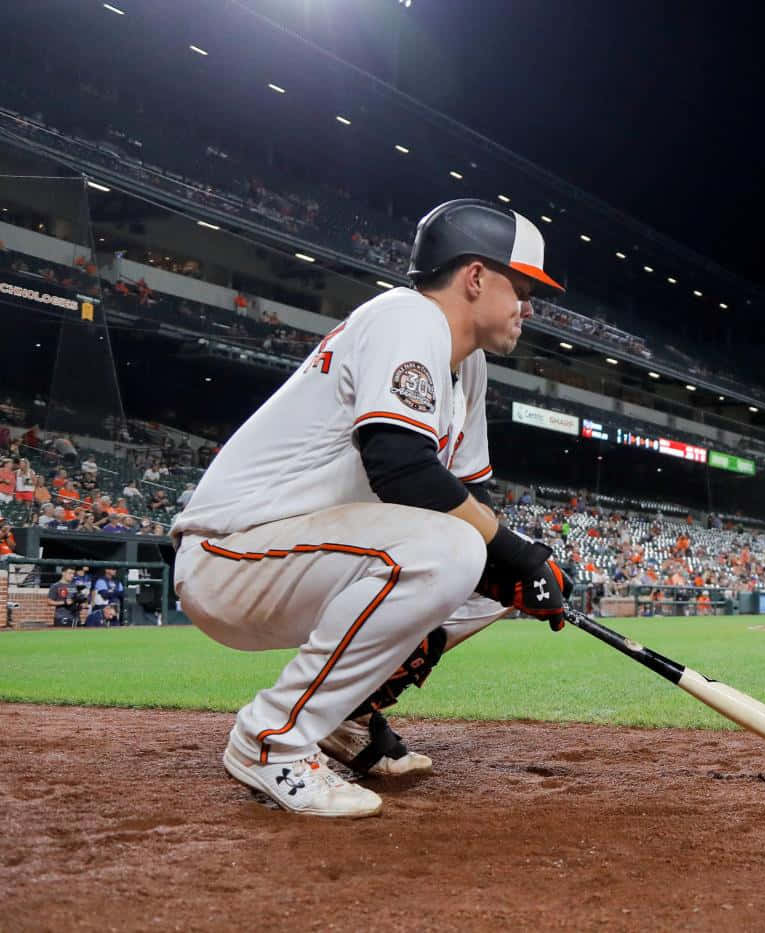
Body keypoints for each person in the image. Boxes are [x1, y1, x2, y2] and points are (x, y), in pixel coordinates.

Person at [172, 199, 569, 819]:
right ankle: (271, 740)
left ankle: (346, 714)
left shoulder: (471, 367)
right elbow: (401, 467)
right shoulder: (407, 317)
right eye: (521, 287)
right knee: (462, 548)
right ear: (474, 277)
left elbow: (470, 494)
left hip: (302, 555)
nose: (529, 307)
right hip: (232, 554)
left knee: (488, 575)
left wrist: (516, 569)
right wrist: (516, 551)